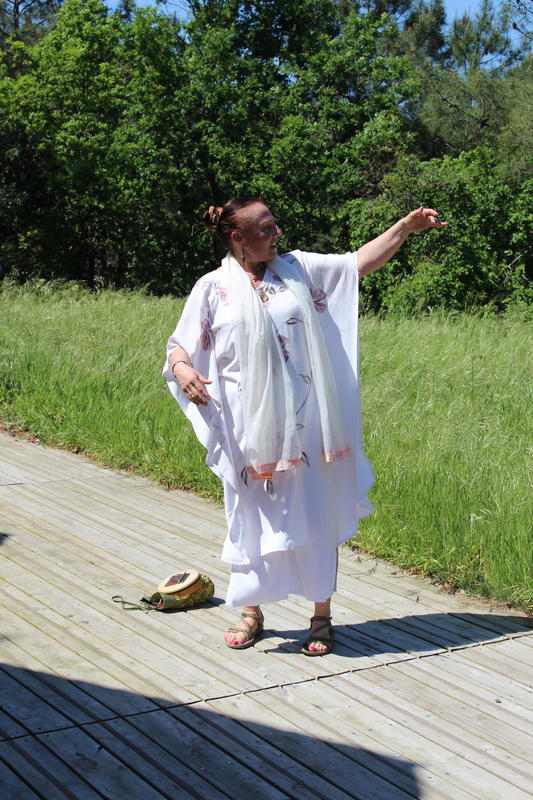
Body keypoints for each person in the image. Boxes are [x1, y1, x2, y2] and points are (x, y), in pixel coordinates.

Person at [163, 199, 447, 655]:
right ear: (238, 238)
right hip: (247, 431)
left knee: (312, 512)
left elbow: (357, 264)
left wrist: (406, 227)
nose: (277, 232)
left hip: (308, 424)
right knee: (250, 516)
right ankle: (252, 611)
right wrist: (183, 371)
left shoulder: (298, 269)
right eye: (266, 226)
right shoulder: (212, 287)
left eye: (276, 222)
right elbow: (180, 344)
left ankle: (321, 617)